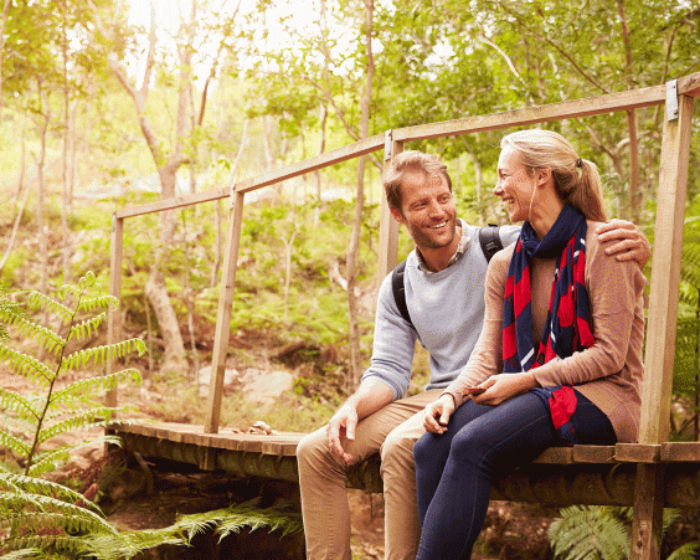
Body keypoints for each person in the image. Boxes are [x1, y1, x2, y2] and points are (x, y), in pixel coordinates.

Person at [296, 149, 649, 560]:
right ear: (398, 215)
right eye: (421, 205)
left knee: (402, 445)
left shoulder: (501, 244)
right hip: (451, 390)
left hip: (509, 388)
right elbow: (390, 371)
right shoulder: (399, 286)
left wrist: (637, 244)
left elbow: (578, 237)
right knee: (316, 449)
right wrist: (353, 407)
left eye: (443, 198)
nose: (438, 212)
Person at [413, 129, 646, 559]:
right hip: (540, 390)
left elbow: (611, 356)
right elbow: (486, 355)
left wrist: (524, 381)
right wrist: (451, 396)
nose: (498, 187)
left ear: (540, 176)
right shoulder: (506, 261)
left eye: (505, 175)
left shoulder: (605, 246)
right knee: (430, 445)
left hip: (606, 398)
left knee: (472, 444)